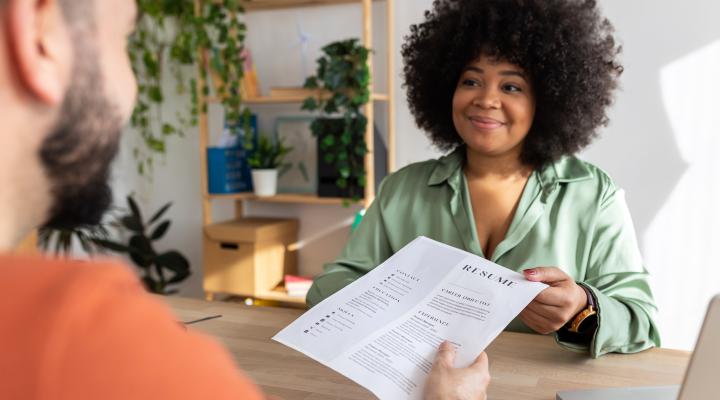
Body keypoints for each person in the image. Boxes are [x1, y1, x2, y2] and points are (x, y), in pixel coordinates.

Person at [0, 0, 490, 399]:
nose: (131, 89)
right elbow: (338, 279)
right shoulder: (86, 341)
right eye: (126, 40)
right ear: (40, 30)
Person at [307, 0, 661, 358]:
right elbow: (328, 287)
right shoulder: (401, 190)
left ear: (549, 99)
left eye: (511, 87)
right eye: (472, 80)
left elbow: (641, 319)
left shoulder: (592, 195)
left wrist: (582, 308)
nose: (486, 99)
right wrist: (397, 301)